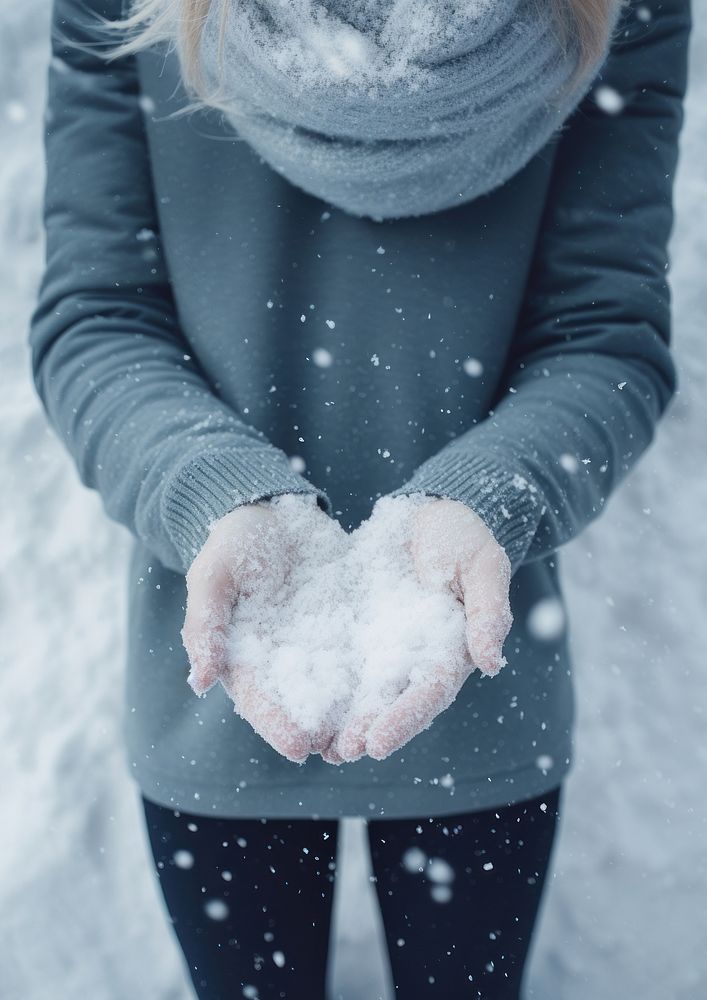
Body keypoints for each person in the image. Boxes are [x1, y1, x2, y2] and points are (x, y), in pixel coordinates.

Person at [28, 0, 690, 996]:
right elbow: (97, 316)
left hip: (459, 653)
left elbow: (605, 335)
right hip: (237, 656)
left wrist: (482, 501)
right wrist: (216, 497)